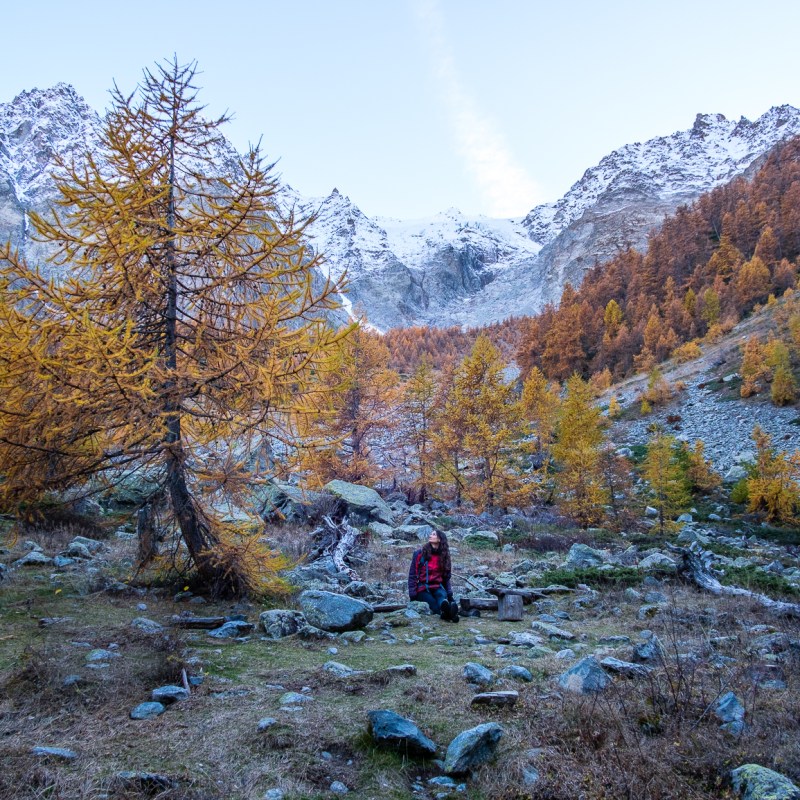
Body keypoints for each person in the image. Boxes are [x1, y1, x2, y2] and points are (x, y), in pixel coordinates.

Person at [408, 529, 459, 622]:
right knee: (433, 603)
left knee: (441, 598)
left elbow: (446, 578)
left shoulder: (444, 556)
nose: (430, 536)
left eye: (433, 534)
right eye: (431, 534)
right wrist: (412, 594)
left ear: (439, 539)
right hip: (422, 589)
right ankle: (451, 615)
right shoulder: (419, 554)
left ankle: (447, 611)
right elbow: (412, 575)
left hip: (437, 587)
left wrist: (449, 594)